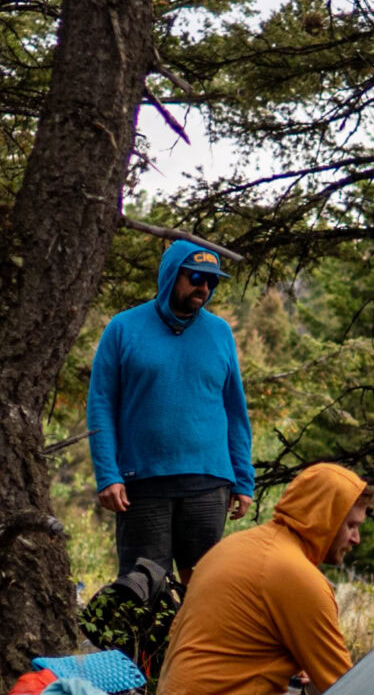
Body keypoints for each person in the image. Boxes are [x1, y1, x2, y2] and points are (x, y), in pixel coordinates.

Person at [151, 462, 372, 695]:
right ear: (324, 519)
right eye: (351, 526)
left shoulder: (240, 545)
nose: (356, 539)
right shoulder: (297, 576)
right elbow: (344, 694)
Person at [86, 240, 256, 580]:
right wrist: (108, 474)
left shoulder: (220, 332)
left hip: (209, 482)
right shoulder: (123, 328)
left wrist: (243, 480)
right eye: (195, 277)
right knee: (143, 589)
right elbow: (101, 404)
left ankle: (194, 638)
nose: (203, 288)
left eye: (212, 281)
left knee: (204, 589)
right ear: (170, 276)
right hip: (143, 482)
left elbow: (235, 412)